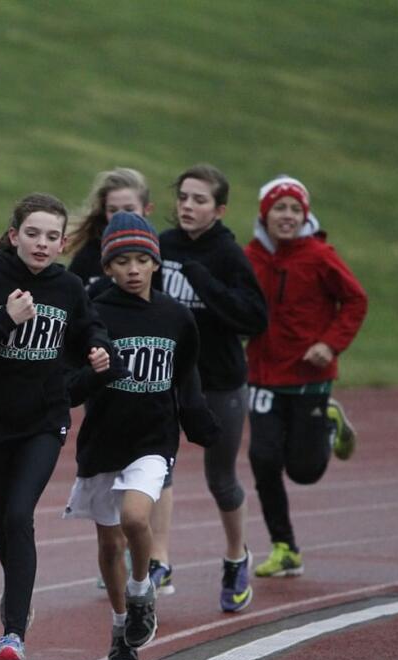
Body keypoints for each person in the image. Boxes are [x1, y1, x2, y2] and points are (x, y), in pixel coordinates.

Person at [0, 193, 111, 660]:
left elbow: (89, 336)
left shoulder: (70, 288)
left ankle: (12, 633)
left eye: (52, 236)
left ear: (62, 243)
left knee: (19, 515)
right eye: (32, 233)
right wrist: (3, 320)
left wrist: (99, 353)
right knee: (2, 526)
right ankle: (19, 598)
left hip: (43, 419)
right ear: (14, 235)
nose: (42, 243)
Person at [63, 212, 218, 660]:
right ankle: (119, 628)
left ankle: (140, 591)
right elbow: (73, 380)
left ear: (156, 263)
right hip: (104, 439)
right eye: (123, 261)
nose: (133, 269)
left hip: (154, 438)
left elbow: (185, 378)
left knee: (135, 516)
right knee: (109, 544)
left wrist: (199, 422)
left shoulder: (176, 317)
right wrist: (89, 376)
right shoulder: (95, 313)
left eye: (142, 259)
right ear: (108, 267)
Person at [157, 164, 268, 611]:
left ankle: (236, 556)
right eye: (183, 197)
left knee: (220, 478)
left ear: (219, 209)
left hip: (220, 381)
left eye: (199, 200)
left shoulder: (228, 255)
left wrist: (202, 280)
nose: (187, 206)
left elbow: (254, 318)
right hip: (167, 379)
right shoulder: (161, 246)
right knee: (154, 468)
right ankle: (156, 559)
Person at [244, 176, 367, 578]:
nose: (288, 216)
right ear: (265, 213)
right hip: (261, 375)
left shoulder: (319, 256)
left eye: (296, 209)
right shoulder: (250, 256)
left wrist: (330, 345)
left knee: (304, 471)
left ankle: (330, 420)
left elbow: (355, 300)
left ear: (306, 215)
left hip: (309, 376)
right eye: (280, 208)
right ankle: (284, 546)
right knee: (262, 459)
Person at [64, 168, 164, 591]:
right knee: (113, 453)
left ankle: (155, 559)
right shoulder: (87, 260)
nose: (120, 217)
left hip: (154, 400)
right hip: (103, 379)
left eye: (129, 209)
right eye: (112, 211)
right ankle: (122, 559)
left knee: (150, 480)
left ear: (146, 210)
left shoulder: (159, 275)